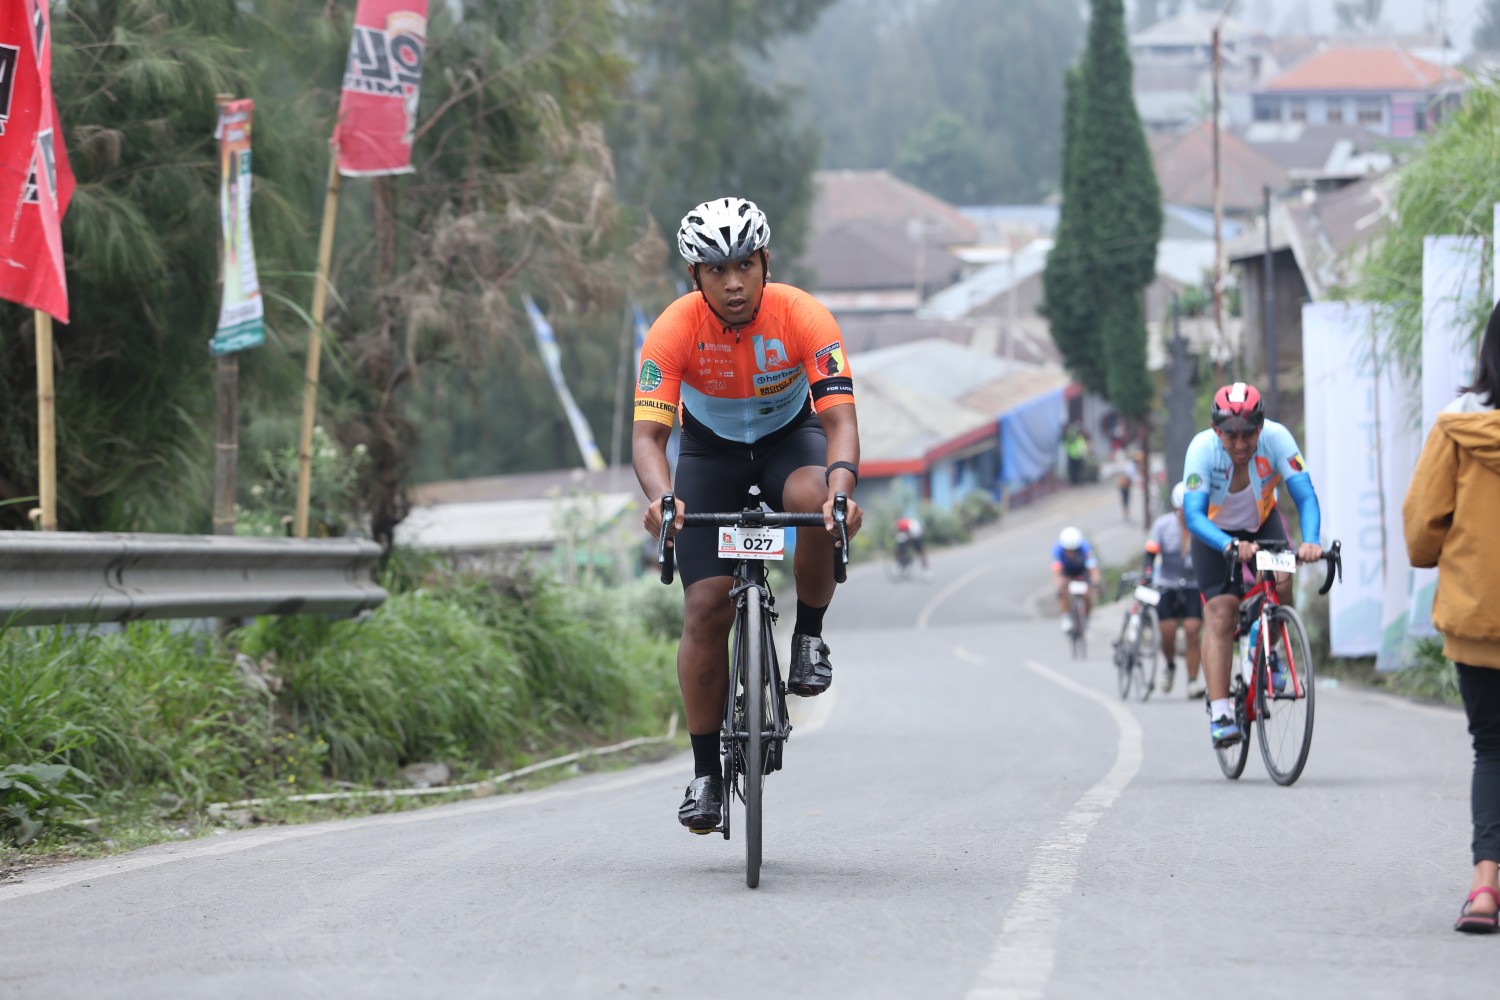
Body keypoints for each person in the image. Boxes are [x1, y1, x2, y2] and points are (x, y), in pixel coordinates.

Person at [632, 196, 864, 834]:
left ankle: (808, 637)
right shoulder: (673, 329)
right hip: (710, 455)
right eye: (716, 270)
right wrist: (663, 498)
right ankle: (706, 774)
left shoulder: (804, 315)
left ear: (766, 264)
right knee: (706, 606)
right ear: (695, 277)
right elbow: (649, 438)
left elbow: (840, 422)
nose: (733, 283)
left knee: (814, 501)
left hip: (790, 441)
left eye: (745, 266)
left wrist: (841, 490)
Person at [1403, 301, 1500, 934]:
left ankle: (1485, 888)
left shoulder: (1457, 427)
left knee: (1492, 748)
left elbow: (1420, 532)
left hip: (1478, 619)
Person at [1181, 382, 1322, 750]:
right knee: (1222, 612)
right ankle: (1221, 712)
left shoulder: (1277, 438)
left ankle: (1266, 649)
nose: (1241, 444)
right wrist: (1228, 544)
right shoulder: (1201, 449)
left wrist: (1311, 540)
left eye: (1249, 434)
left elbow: (1305, 495)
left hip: (1261, 522)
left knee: (1282, 580)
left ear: (1261, 427)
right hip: (1214, 533)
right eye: (1232, 436)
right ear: (1216, 430)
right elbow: (1193, 516)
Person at [1143, 481, 1204, 697]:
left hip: (1193, 584)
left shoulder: (1203, 524)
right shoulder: (1162, 525)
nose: (1185, 515)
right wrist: (1147, 574)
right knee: (1167, 633)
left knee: (1192, 631)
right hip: (1167, 583)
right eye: (1181, 511)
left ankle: (1192, 681)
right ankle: (1169, 665)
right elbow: (1150, 553)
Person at [1052, 526, 1100, 632]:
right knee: (1063, 590)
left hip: (1082, 569)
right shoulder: (1058, 550)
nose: (1071, 553)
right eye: (1068, 550)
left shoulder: (1085, 548)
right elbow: (1056, 572)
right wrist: (1058, 586)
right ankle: (1065, 617)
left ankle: (1086, 618)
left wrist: (1095, 581)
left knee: (1087, 595)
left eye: (1074, 550)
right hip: (1066, 571)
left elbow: (1093, 568)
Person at [894, 514, 930, 579]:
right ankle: (899, 564)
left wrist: (909, 536)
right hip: (907, 537)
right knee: (898, 548)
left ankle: (925, 571)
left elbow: (918, 534)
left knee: (922, 552)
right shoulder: (901, 525)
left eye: (905, 530)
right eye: (903, 530)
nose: (904, 531)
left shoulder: (914, 526)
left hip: (916, 538)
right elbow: (898, 535)